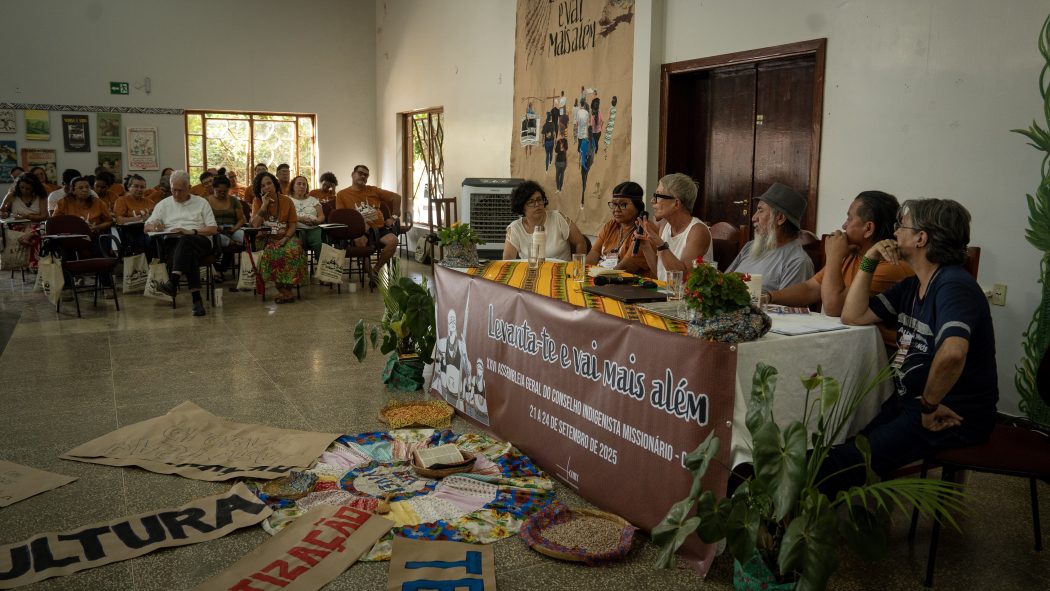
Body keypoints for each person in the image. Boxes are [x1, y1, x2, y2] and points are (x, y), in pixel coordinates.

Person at [820, 198, 997, 492]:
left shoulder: (954, 286)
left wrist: (928, 405)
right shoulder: (914, 284)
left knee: (841, 462)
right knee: (847, 448)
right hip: (912, 403)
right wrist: (871, 258)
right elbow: (853, 315)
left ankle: (783, 532)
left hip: (948, 414)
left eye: (900, 226)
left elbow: (953, 354)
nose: (894, 234)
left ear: (921, 238)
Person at [764, 191, 914, 315]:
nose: (843, 225)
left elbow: (833, 307)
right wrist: (769, 297)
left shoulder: (890, 265)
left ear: (868, 229)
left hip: (878, 347)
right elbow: (810, 288)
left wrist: (833, 257)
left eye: (849, 218)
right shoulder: (851, 253)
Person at [144, 170, 218, 317]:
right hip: (173, 244)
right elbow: (146, 227)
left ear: (189, 187)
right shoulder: (163, 204)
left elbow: (213, 229)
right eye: (173, 190)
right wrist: (155, 226)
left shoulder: (201, 202)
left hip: (199, 240)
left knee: (186, 240)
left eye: (180, 190)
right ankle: (197, 301)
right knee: (188, 253)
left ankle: (173, 281)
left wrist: (191, 232)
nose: (176, 194)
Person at [726, 182, 814, 291]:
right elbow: (724, 280)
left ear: (780, 218)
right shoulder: (750, 247)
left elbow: (786, 307)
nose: (753, 218)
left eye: (760, 210)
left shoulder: (797, 262)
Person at [636, 173, 713, 282]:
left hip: (687, 297)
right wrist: (645, 246)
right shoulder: (664, 225)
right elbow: (661, 272)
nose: (652, 201)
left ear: (676, 203)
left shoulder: (698, 231)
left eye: (658, 196)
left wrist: (660, 244)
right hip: (666, 293)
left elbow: (683, 278)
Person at [335, 164, 401, 277]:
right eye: (360, 173)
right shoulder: (342, 194)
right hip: (358, 230)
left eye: (366, 175)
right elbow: (341, 216)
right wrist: (358, 225)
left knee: (393, 241)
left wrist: (393, 217)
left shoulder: (373, 190)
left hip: (379, 228)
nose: (363, 176)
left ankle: (376, 270)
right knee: (360, 241)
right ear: (353, 174)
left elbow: (397, 197)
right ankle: (368, 270)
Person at [250, 171, 306, 303]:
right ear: (259, 189)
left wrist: (286, 238)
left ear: (275, 184)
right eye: (263, 186)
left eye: (269, 183)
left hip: (285, 237)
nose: (267, 187)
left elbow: (292, 224)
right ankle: (285, 292)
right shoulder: (257, 201)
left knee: (294, 250)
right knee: (274, 253)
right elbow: (255, 225)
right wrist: (264, 205)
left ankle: (287, 290)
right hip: (265, 239)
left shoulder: (287, 201)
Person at [502, 180, 587, 261]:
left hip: (561, 273)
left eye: (539, 199)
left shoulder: (557, 218)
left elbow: (580, 242)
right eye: (531, 201)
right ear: (522, 206)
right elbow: (508, 258)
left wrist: (576, 267)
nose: (537, 204)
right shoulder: (515, 228)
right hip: (532, 273)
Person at [585, 181, 652, 276]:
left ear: (638, 206)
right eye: (614, 204)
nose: (616, 209)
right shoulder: (611, 225)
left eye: (623, 205)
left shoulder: (644, 230)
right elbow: (594, 252)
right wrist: (584, 270)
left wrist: (599, 277)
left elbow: (626, 267)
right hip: (603, 277)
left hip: (629, 285)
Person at [0, 173, 48, 270]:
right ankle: (34, 265)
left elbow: (44, 216)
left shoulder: (41, 197)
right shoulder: (12, 195)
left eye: (28, 189)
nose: (24, 191)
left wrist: (28, 216)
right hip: (17, 226)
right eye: (21, 187)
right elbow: (2, 211)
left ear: (34, 188)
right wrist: (4, 214)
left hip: (37, 225)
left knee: (39, 231)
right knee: (37, 235)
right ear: (18, 186)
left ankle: (33, 262)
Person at [205, 168, 246, 276]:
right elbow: (203, 221)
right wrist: (217, 228)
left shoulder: (233, 200)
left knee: (245, 238)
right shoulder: (206, 201)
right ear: (213, 189)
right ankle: (218, 269)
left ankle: (247, 271)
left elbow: (242, 219)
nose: (222, 194)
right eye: (219, 192)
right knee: (217, 239)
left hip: (232, 229)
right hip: (215, 231)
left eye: (225, 192)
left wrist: (235, 228)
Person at [112, 174, 156, 256]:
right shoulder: (121, 201)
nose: (139, 189)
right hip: (130, 233)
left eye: (142, 187)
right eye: (136, 186)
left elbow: (156, 217)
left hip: (149, 230)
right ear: (129, 187)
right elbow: (119, 220)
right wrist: (142, 219)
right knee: (153, 241)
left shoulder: (150, 202)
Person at [288, 175, 323, 260]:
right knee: (297, 249)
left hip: (314, 228)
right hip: (296, 230)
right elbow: (285, 216)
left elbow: (321, 216)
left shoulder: (313, 200)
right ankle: (300, 271)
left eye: (304, 184)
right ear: (293, 186)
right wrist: (300, 219)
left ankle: (322, 270)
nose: (302, 186)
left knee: (321, 246)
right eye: (299, 184)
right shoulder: (287, 200)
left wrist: (316, 221)